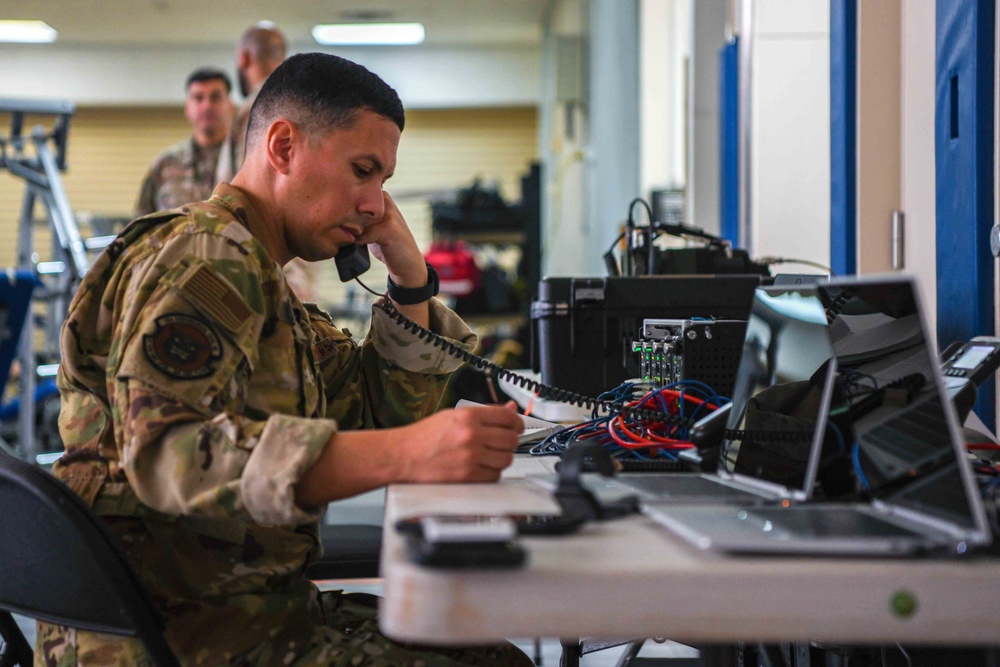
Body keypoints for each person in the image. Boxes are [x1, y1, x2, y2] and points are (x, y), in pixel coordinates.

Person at [46, 53, 530, 666]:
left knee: (486, 651)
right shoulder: (208, 260)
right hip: (180, 638)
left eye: (382, 182)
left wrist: (410, 279)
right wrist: (412, 452)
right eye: (363, 171)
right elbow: (168, 454)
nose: (377, 205)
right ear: (283, 146)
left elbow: (374, 409)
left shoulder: (257, 272)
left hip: (234, 615)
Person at [135, 67, 235, 216]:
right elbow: (141, 224)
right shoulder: (165, 164)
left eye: (215, 97)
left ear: (231, 106)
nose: (207, 106)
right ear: (187, 108)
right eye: (198, 98)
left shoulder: (245, 161)